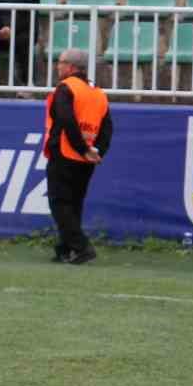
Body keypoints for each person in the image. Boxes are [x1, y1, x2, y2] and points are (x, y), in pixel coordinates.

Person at [44, 47, 111, 265]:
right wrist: (95, 151)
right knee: (73, 204)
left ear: (71, 67)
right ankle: (65, 249)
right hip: (86, 159)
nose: (57, 65)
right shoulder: (98, 93)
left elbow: (66, 120)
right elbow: (107, 128)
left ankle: (81, 247)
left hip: (65, 153)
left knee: (59, 202)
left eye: (61, 62)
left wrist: (82, 148)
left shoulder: (66, 88)